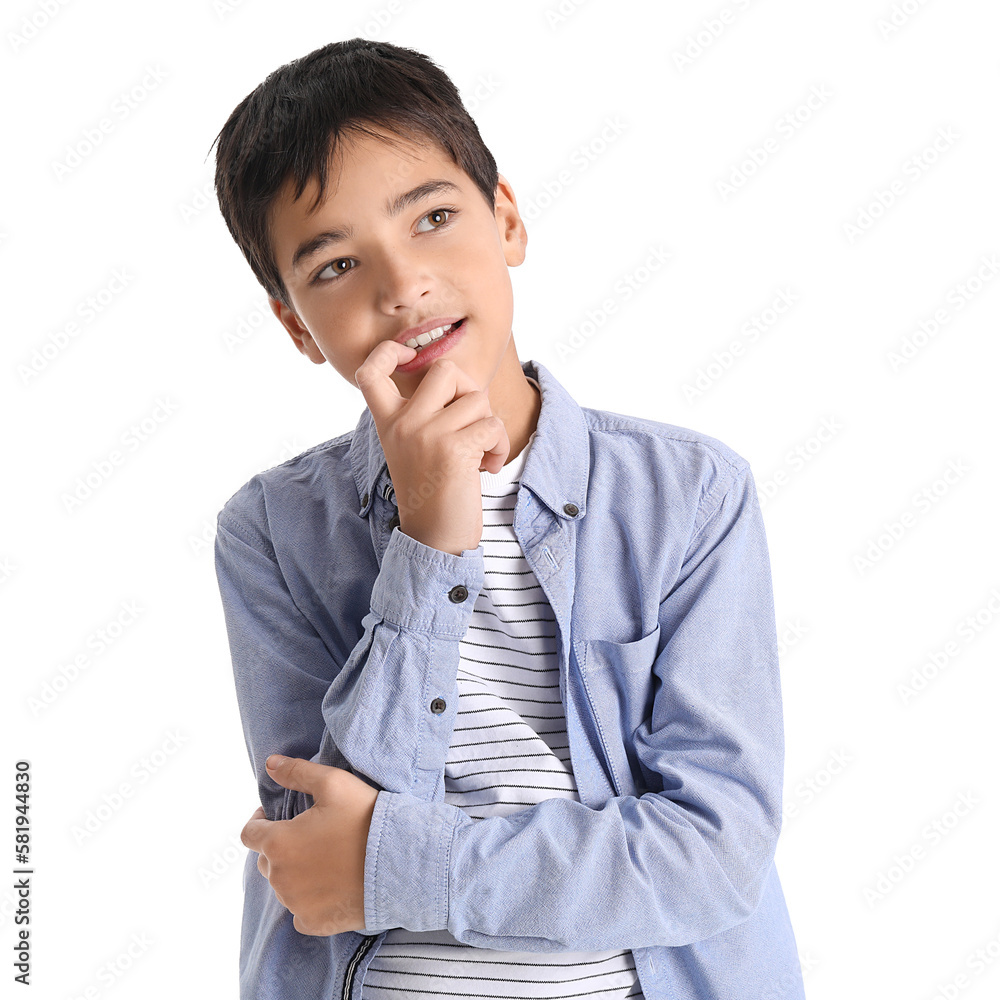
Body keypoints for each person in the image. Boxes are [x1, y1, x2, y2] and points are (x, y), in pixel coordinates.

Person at [210, 37, 806, 1000]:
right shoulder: (272, 533)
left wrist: (408, 866)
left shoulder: (686, 498)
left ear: (509, 219)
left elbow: (714, 849)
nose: (402, 287)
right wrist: (430, 542)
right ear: (295, 328)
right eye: (334, 267)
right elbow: (313, 861)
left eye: (434, 218)